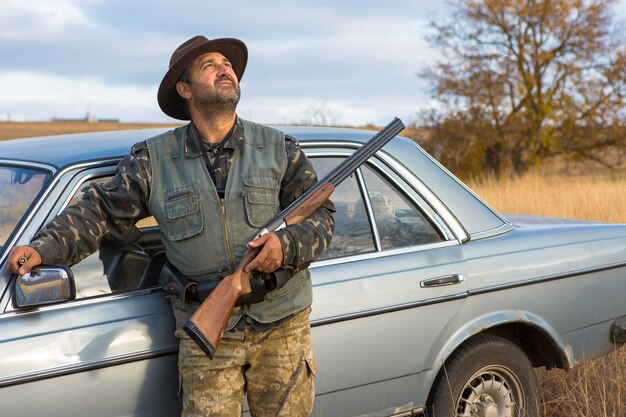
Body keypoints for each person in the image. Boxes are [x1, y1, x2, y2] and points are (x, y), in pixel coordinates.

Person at [7, 36, 335, 417]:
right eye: (209, 65)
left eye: (227, 63)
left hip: (282, 321)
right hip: (205, 329)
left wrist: (286, 245)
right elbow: (100, 212)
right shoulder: (153, 160)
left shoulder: (279, 148)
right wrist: (43, 249)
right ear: (185, 89)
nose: (224, 69)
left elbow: (322, 217)